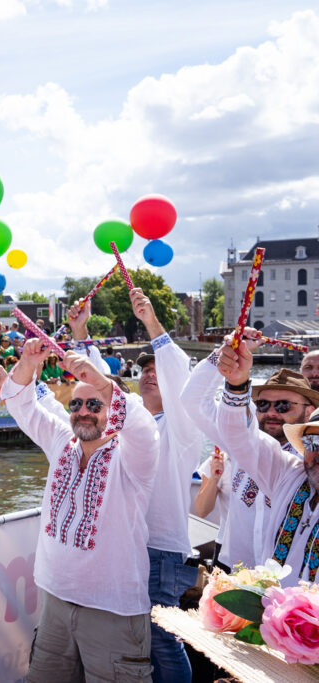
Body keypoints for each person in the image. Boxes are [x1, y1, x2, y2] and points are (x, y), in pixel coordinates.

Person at [1, 338, 159, 682]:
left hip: (113, 608)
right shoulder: (62, 440)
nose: (83, 411)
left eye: (94, 403)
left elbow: (142, 425)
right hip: (55, 598)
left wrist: (102, 380)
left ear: (115, 409)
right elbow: (17, 401)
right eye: (76, 404)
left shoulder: (133, 455)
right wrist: (29, 362)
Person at [182, 338, 319, 569]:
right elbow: (193, 400)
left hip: (288, 586)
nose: (272, 413)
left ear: (309, 411)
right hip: (235, 572)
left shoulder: (303, 466)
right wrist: (226, 357)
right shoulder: (241, 442)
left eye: (284, 405)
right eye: (263, 405)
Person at [129, 288, 207, 682]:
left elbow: (180, 372)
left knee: (161, 636)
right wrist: (81, 332)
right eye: (143, 370)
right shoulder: (135, 425)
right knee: (136, 633)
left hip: (161, 549)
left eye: (156, 371)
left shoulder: (182, 429)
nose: (148, 375)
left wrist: (151, 322)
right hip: (131, 544)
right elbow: (100, 393)